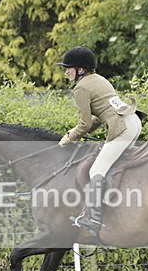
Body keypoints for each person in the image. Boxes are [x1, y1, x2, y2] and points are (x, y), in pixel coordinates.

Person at [57, 46, 142, 235]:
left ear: (81, 69)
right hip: (133, 121)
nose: (66, 71)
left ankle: (94, 219)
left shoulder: (81, 88)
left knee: (97, 169)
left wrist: (69, 137)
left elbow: (85, 124)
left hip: (123, 128)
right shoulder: (99, 80)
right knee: (110, 163)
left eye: (69, 68)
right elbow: (99, 117)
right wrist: (74, 132)